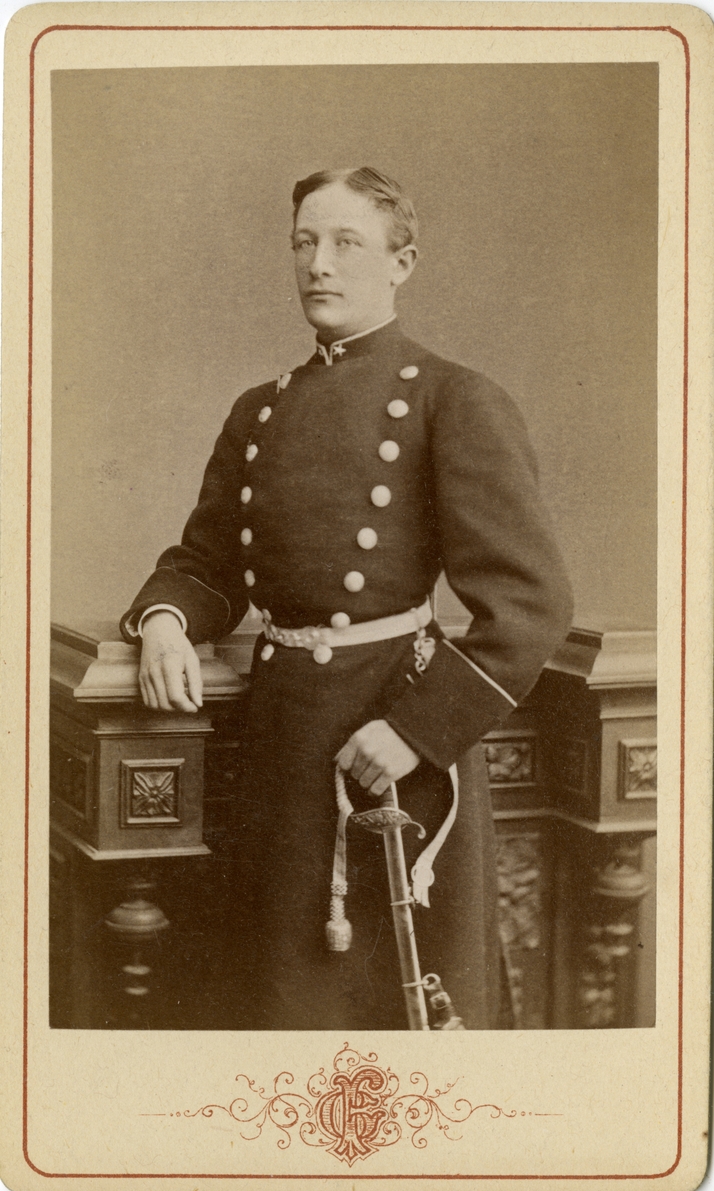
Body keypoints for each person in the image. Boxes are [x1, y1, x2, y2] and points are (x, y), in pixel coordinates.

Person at [120, 166, 573, 1030]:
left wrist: (416, 733)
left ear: (402, 263)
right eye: (304, 242)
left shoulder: (454, 399)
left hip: (394, 746)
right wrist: (168, 621)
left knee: (397, 1019)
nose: (318, 264)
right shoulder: (258, 412)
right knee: (285, 1008)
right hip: (283, 744)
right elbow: (208, 561)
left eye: (345, 243)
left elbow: (530, 603)